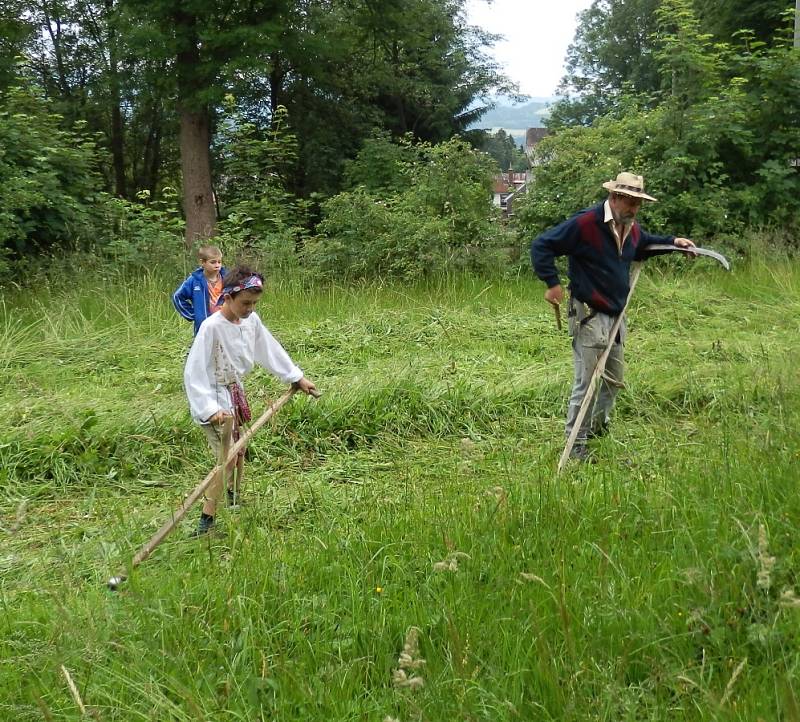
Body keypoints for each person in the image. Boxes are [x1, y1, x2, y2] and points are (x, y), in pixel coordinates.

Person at [531, 172, 696, 462]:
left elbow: (644, 244)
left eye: (638, 203)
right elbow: (542, 245)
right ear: (614, 197)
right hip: (589, 314)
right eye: (630, 201)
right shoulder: (586, 224)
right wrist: (552, 283)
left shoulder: (630, 228)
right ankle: (576, 446)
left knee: (612, 380)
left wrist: (674, 242)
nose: (634, 208)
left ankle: (596, 431)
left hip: (616, 316)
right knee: (588, 382)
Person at [183, 266, 317, 535]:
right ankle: (205, 522)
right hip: (214, 399)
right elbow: (193, 373)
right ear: (228, 297)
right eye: (245, 303)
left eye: (255, 303)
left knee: (240, 449)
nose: (250, 308)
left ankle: (233, 497)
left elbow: (268, 349)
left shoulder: (251, 322)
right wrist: (210, 410)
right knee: (228, 458)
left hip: (235, 394)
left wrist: (296, 377)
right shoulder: (211, 328)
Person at [173, 244, 227, 335]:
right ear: (203, 263)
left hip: (225, 325)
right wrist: (194, 315)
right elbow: (177, 297)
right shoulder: (194, 280)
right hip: (204, 328)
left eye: (219, 262)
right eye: (213, 262)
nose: (217, 265)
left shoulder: (227, 278)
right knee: (204, 348)